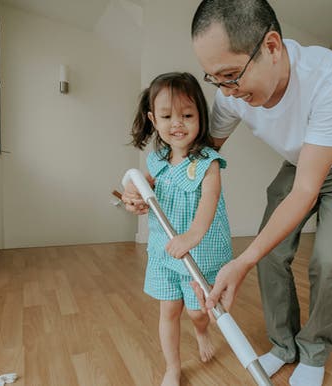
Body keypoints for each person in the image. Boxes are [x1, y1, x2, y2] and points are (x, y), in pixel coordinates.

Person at [190, 1, 332, 385]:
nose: (227, 90)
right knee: (271, 254)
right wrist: (153, 181)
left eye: (231, 75)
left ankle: (314, 350)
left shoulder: (327, 75)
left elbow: (307, 190)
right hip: (300, 163)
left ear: (272, 46)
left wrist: (241, 261)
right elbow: (200, 156)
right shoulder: (230, 95)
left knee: (327, 261)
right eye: (215, 79)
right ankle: (283, 346)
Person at [123, 72, 232, 386]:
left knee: (198, 313)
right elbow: (137, 181)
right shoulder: (157, 160)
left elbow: (209, 202)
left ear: (200, 115)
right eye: (167, 116)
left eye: (187, 115)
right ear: (152, 119)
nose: (177, 124)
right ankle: (172, 367)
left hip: (199, 254)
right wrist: (133, 193)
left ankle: (201, 331)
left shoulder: (209, 162)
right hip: (164, 253)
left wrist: (192, 236)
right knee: (168, 312)